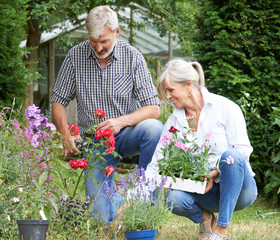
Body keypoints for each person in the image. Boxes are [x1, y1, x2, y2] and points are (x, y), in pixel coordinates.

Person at [51, 5, 163, 223]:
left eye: (104, 42)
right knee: (99, 218)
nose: (99, 47)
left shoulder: (133, 57)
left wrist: (121, 122)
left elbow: (154, 108)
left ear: (117, 32)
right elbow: (58, 100)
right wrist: (65, 133)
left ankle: (147, 207)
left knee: (154, 129)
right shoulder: (75, 56)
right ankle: (118, 200)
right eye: (94, 42)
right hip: (95, 142)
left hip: (127, 133)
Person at [132, 59, 258, 240]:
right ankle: (206, 220)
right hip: (205, 192)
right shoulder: (174, 122)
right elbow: (156, 163)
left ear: (189, 85)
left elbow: (243, 152)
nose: (167, 96)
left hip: (239, 191)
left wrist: (215, 173)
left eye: (170, 90)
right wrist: (136, 195)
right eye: (165, 91)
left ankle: (221, 229)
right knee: (173, 199)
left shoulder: (226, 108)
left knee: (231, 156)